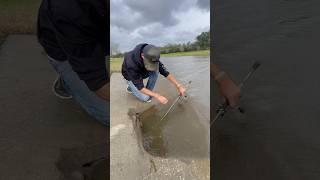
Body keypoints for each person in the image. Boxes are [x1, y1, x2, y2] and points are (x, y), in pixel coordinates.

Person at [37, 0, 109, 125]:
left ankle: (74, 77)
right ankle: (68, 81)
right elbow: (98, 82)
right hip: (67, 49)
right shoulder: (69, 7)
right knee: (114, 115)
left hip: (96, 36)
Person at [121, 44, 186, 104]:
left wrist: (178, 86)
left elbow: (165, 72)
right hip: (130, 76)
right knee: (145, 98)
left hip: (143, 71)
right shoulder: (131, 63)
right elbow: (140, 87)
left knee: (156, 71)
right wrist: (157, 95)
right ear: (142, 56)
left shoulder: (152, 55)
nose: (152, 64)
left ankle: (147, 92)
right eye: (150, 63)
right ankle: (130, 87)